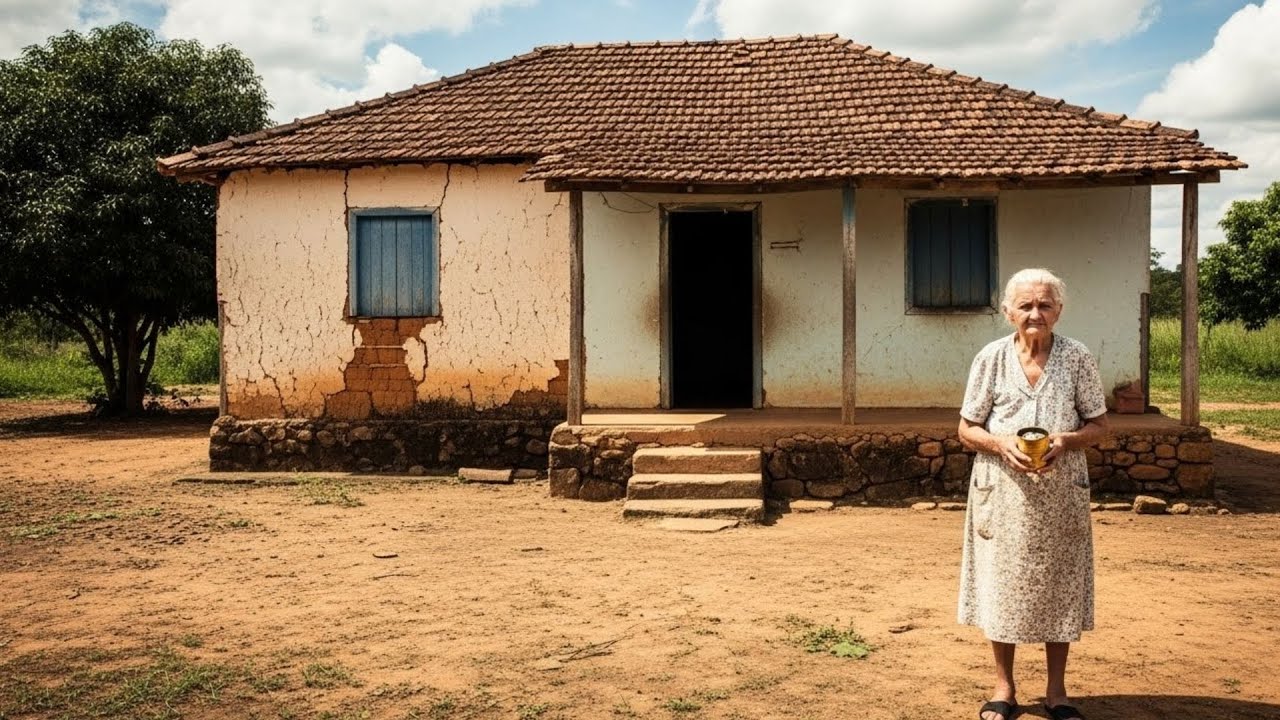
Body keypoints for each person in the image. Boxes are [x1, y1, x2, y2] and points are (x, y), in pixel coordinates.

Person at [956, 268, 1111, 720]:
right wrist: (1001, 444)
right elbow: (967, 428)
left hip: (1060, 493)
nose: (1035, 314)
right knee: (1001, 586)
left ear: (1058, 311)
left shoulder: (1078, 357)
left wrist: (1064, 441)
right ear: (1008, 312)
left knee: (1059, 586)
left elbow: (1101, 426)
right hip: (1002, 494)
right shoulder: (990, 358)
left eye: (1044, 305)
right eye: (1025, 305)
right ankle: (1003, 689)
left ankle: (1057, 693)